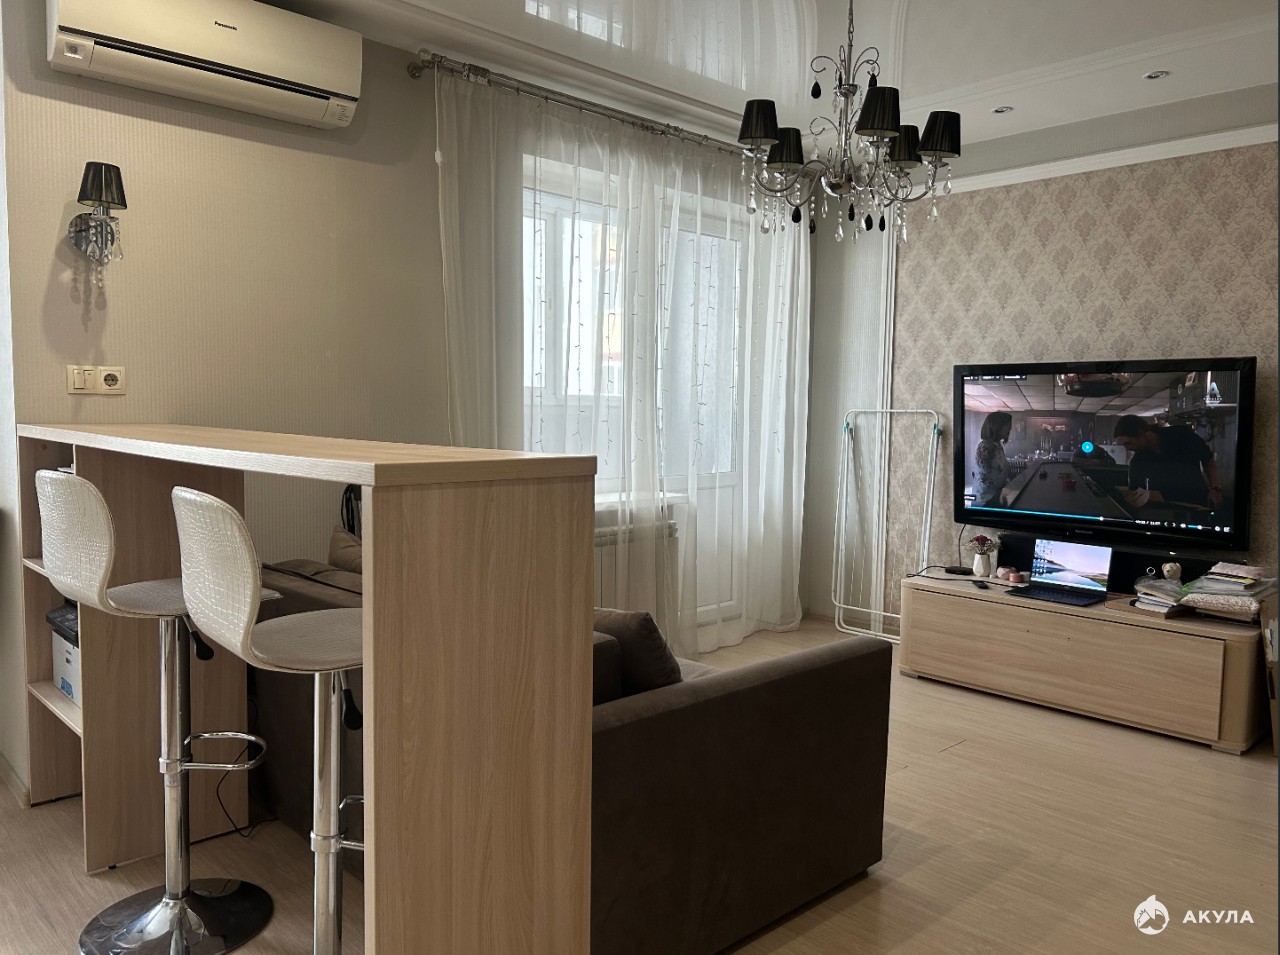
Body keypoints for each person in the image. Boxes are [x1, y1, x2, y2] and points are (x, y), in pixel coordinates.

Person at [1113, 415, 1222, 509]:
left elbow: (1208, 460)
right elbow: (1135, 493)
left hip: (1198, 503)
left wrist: (1215, 488)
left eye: (1128, 443)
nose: (1127, 449)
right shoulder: (1137, 462)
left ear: (1140, 433)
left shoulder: (1181, 435)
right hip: (1168, 510)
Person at [972, 411, 1013, 507]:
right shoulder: (984, 447)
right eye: (1007, 426)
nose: (1010, 428)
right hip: (984, 501)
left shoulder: (998, 445)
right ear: (997, 427)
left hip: (995, 497)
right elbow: (986, 477)